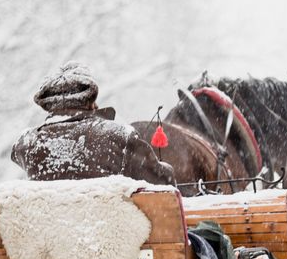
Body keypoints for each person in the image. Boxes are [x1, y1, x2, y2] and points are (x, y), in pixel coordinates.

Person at [11, 62, 176, 185]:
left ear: (47, 104)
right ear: (90, 99)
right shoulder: (120, 137)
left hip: (48, 230)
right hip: (106, 230)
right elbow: (162, 183)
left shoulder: (26, 144)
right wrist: (166, 168)